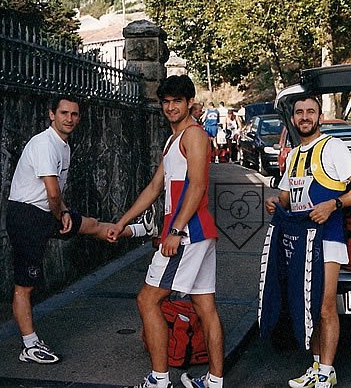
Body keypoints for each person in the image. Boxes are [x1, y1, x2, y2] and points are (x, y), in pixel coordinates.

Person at [5, 95, 148, 365]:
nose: (70, 119)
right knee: (25, 285)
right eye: (64, 113)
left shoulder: (63, 146)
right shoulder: (44, 144)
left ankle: (141, 230)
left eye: (75, 114)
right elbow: (52, 191)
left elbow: (55, 194)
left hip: (48, 211)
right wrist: (62, 216)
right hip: (27, 216)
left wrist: (65, 212)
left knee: (91, 225)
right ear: (52, 115)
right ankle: (29, 346)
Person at [108, 75, 223, 388]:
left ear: (189, 103)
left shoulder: (194, 135)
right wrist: (122, 221)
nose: (171, 107)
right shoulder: (174, 140)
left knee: (147, 300)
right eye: (167, 102)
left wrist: (175, 230)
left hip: (188, 233)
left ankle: (159, 381)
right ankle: (214, 382)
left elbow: (197, 186)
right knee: (205, 306)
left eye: (178, 101)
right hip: (194, 232)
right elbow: (155, 187)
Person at [265, 96, 351, 388]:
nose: (304, 116)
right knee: (307, 305)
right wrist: (275, 203)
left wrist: (333, 205)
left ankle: (327, 370)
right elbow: (286, 196)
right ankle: (316, 366)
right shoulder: (295, 154)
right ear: (294, 119)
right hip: (300, 241)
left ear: (320, 117)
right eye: (299, 112)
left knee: (325, 307)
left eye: (310, 111)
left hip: (328, 238)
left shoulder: (333, 147)